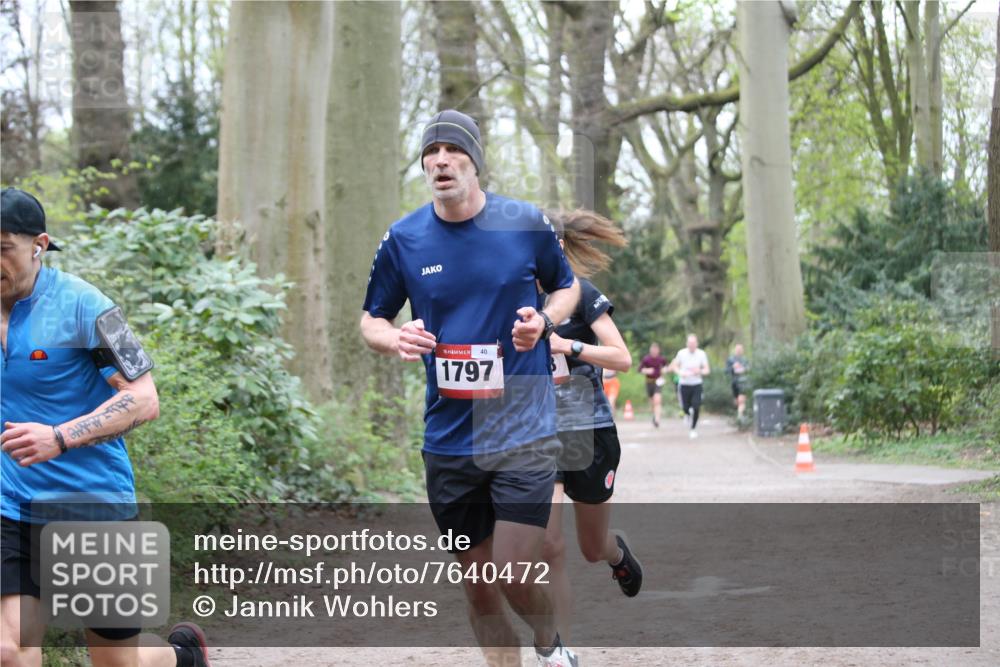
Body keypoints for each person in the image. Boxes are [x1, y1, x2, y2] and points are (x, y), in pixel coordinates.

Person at [360, 110, 581, 667]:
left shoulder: (523, 223)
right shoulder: (404, 238)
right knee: (479, 584)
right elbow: (371, 320)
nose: (439, 161)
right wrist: (396, 337)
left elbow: (567, 287)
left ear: (474, 161)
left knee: (510, 571)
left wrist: (547, 323)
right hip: (450, 437)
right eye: (429, 153)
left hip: (522, 424)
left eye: (452, 151)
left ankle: (550, 643)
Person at [0, 188, 211, 667]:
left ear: (39, 244)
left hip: (92, 506)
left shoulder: (85, 307)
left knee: (119, 662)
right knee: (10, 652)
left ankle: (182, 658)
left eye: (2, 248)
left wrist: (59, 437)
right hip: (10, 505)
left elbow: (143, 399)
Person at [539, 209, 642, 642]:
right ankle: (559, 649)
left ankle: (615, 552)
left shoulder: (580, 294)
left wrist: (570, 345)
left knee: (589, 548)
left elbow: (622, 357)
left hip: (588, 429)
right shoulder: (513, 298)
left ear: (557, 247)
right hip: (537, 431)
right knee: (549, 547)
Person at [668, 334, 710, 439]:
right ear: (687, 344)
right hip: (684, 384)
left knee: (696, 406)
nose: (691, 345)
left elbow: (707, 370)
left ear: (697, 344)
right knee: (685, 407)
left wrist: (699, 371)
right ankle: (687, 413)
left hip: (696, 384)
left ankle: (693, 428)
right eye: (690, 343)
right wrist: (680, 373)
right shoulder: (681, 353)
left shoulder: (701, 354)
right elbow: (674, 366)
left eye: (693, 343)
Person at [637, 343, 668, 427]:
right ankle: (654, 415)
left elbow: (666, 367)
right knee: (652, 402)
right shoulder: (646, 359)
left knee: (657, 400)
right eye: (652, 350)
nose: (654, 351)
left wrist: (665, 370)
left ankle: (657, 420)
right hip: (649, 382)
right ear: (650, 350)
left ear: (658, 350)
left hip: (658, 381)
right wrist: (647, 370)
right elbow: (639, 370)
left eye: (656, 350)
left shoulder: (661, 359)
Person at [725, 343, 750, 420]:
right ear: (735, 350)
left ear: (742, 350)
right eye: (737, 349)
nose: (739, 351)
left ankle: (740, 416)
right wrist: (733, 367)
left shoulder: (745, 360)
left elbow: (749, 369)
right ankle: (739, 413)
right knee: (737, 401)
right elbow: (726, 371)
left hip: (743, 383)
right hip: (734, 383)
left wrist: (744, 369)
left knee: (741, 400)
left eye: (740, 349)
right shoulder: (730, 360)